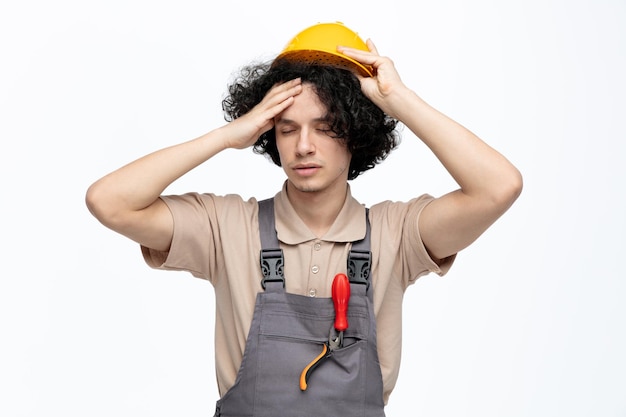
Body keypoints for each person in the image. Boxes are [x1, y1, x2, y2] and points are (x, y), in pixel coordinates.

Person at [86, 22, 522, 416]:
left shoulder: (398, 234)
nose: (304, 146)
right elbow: (108, 201)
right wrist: (225, 136)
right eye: (287, 128)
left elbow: (499, 187)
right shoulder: (226, 227)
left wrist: (399, 101)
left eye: (325, 125)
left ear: (356, 130)